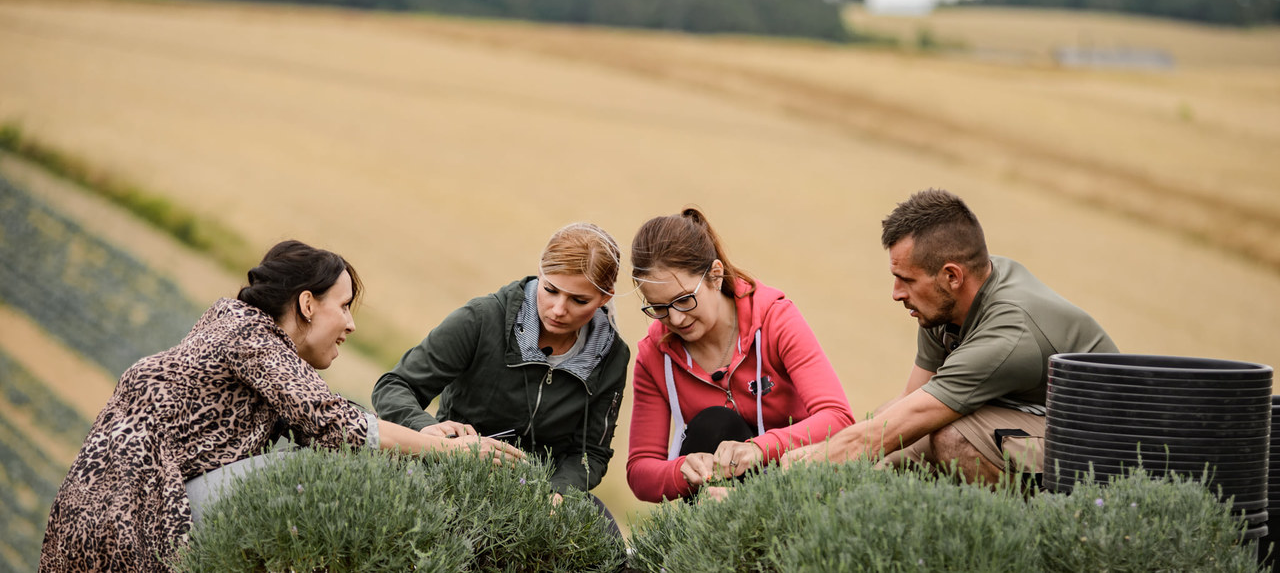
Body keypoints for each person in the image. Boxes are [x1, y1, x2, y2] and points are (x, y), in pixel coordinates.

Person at [40, 240, 522, 573]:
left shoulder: (234, 334)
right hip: (133, 521)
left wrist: (424, 436)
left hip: (82, 524)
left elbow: (327, 413)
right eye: (345, 306)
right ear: (308, 304)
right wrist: (446, 453)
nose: (351, 325)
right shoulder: (249, 335)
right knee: (309, 474)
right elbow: (334, 423)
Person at [782, 188, 1119, 484]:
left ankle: (1012, 542)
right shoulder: (946, 304)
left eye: (907, 280)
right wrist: (834, 451)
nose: (896, 293)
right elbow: (908, 403)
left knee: (954, 438)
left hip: (1102, 453)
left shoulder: (1008, 334)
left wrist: (821, 458)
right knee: (892, 453)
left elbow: (914, 418)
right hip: (1034, 427)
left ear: (952, 276)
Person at [372, 223, 630, 514]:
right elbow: (394, 386)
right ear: (540, 273)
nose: (558, 309)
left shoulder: (612, 356)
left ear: (605, 297)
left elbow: (590, 452)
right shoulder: (482, 319)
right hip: (454, 478)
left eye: (579, 300)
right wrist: (431, 434)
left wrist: (559, 494)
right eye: (551, 290)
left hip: (537, 501)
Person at [626, 208, 855, 502]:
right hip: (717, 500)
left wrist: (759, 448)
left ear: (715, 275)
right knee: (713, 425)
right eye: (659, 308)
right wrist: (682, 470)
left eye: (684, 300)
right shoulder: (654, 354)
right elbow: (640, 470)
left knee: (717, 424)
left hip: (798, 486)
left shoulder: (775, 319)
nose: (676, 319)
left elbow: (838, 418)